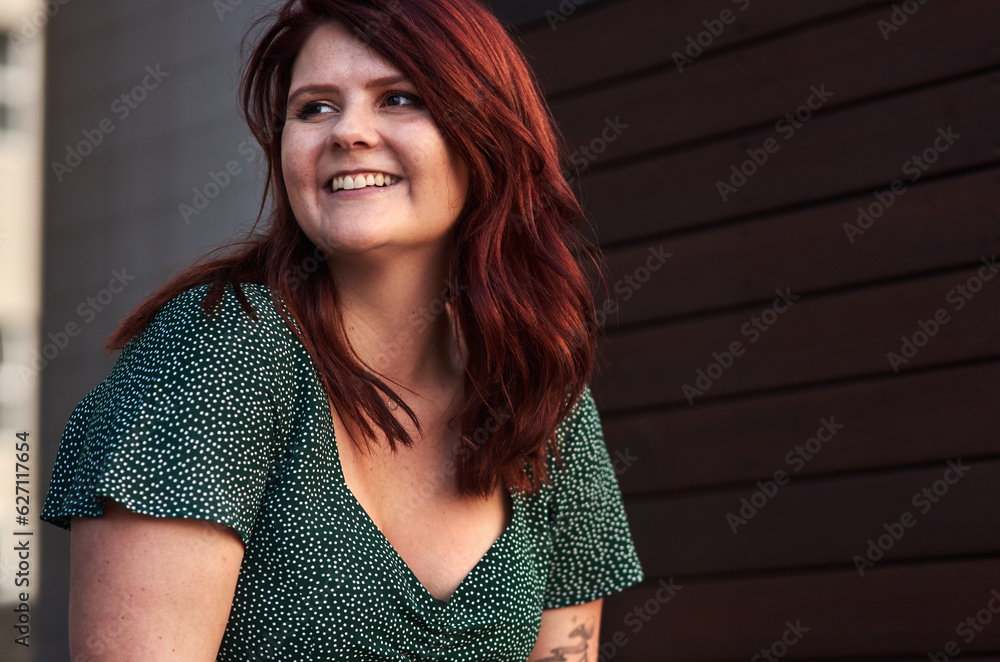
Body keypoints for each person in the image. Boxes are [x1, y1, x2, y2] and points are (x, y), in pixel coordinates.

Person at [40, 0, 644, 659]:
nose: (347, 132)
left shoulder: (542, 395)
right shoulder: (222, 349)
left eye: (400, 98)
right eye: (315, 107)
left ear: (487, 136)